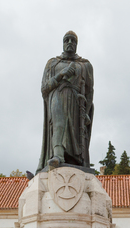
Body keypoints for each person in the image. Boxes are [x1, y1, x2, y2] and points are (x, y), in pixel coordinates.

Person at [36, 31, 94, 173]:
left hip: (76, 100)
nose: (69, 43)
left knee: (75, 133)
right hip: (58, 94)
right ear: (63, 43)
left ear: (76, 44)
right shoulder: (53, 63)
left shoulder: (85, 65)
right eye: (66, 40)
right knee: (59, 124)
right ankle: (57, 155)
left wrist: (86, 113)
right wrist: (62, 74)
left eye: (73, 41)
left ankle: (75, 159)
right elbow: (44, 88)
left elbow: (89, 92)